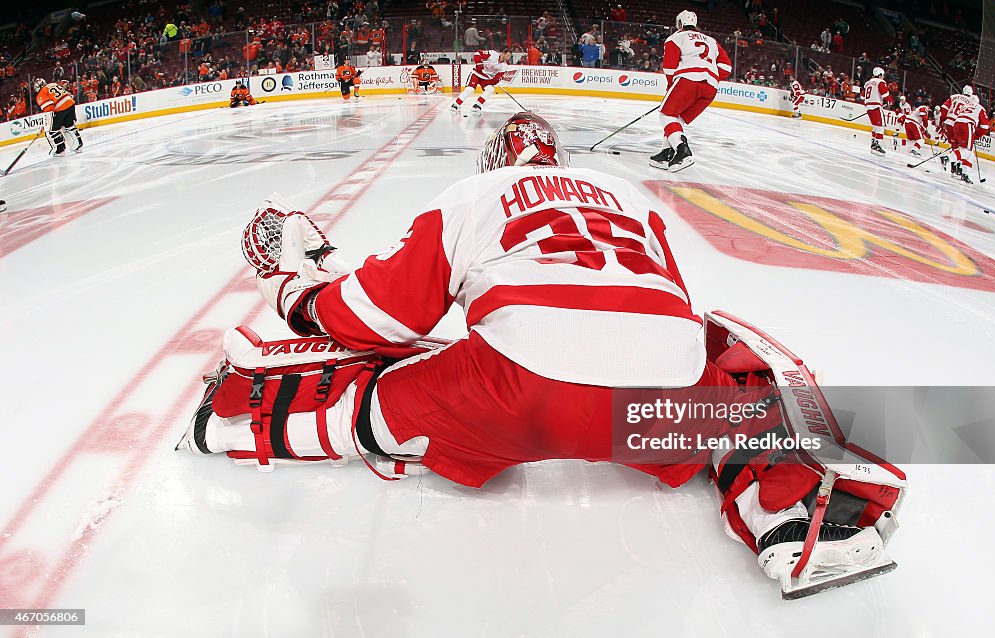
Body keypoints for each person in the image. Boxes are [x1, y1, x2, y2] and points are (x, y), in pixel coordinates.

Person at [179, 112, 907, 600]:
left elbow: (378, 318)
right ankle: (795, 517)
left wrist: (295, 289)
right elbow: (673, 314)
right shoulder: (632, 199)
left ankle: (230, 422)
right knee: (729, 394)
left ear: (494, 158)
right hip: (656, 401)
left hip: (516, 394)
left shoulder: (473, 193)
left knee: (379, 389)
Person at [649, 11, 731, 171]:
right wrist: (709, 75)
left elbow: (669, 68)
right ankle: (667, 152)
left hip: (688, 80)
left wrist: (672, 87)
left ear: (679, 24)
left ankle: (682, 150)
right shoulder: (712, 41)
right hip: (711, 87)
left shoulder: (675, 38)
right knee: (677, 118)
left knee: (666, 115)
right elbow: (726, 67)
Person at [34, 78, 82, 156]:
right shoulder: (53, 84)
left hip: (60, 108)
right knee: (69, 125)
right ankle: (78, 145)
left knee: (51, 130)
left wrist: (47, 123)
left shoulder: (41, 93)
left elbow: (49, 107)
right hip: (70, 104)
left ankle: (59, 150)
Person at [949, 94, 988, 184]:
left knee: (970, 153)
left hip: (956, 124)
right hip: (967, 125)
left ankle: (964, 173)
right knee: (966, 150)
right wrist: (975, 135)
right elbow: (984, 128)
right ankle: (947, 158)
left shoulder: (964, 106)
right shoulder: (979, 107)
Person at [862, 67, 892, 156]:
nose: (883, 77)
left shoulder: (867, 83)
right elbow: (885, 94)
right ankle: (877, 145)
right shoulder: (880, 82)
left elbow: (863, 97)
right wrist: (891, 101)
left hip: (868, 106)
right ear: (880, 75)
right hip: (876, 106)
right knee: (880, 126)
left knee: (875, 126)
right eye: (882, 75)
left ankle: (873, 144)